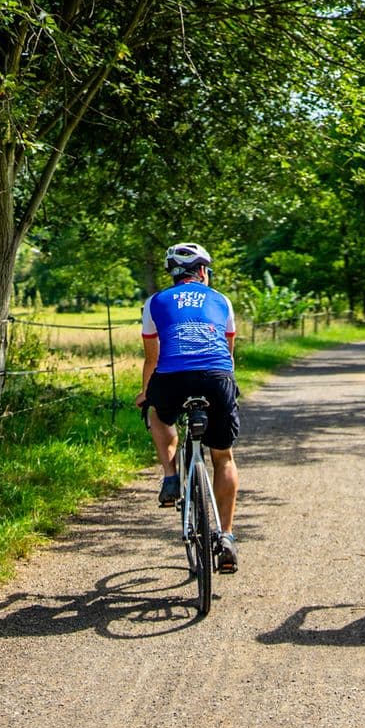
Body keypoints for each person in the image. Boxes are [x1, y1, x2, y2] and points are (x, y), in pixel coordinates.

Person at [137, 242, 241, 573]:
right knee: (223, 457)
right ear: (202, 271)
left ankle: (170, 476)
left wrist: (144, 393)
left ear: (174, 274)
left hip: (171, 379)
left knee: (158, 413)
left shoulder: (155, 302)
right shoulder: (222, 300)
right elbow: (228, 353)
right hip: (216, 378)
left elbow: (152, 359)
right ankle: (225, 537)